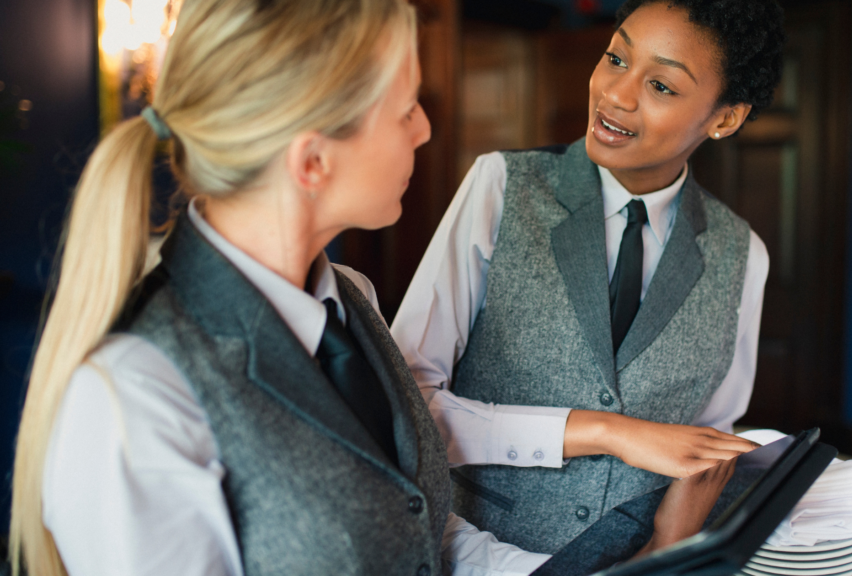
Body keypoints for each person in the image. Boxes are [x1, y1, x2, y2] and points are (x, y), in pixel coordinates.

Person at [6, 0, 741, 574]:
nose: (425, 130)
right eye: (406, 108)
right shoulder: (135, 400)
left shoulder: (348, 300)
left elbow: (427, 538)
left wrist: (646, 565)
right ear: (313, 160)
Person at [391, 0, 781, 555]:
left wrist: (667, 552)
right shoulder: (502, 187)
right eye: (616, 58)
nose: (616, 94)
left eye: (662, 86)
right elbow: (407, 405)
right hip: (472, 552)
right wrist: (607, 432)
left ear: (725, 118)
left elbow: (709, 448)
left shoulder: (744, 255)